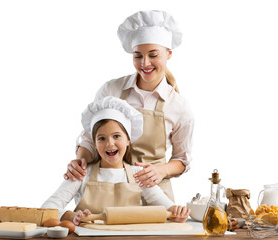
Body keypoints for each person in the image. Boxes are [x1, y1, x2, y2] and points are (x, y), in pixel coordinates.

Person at [64, 10, 194, 202]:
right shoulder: (112, 90)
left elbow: (182, 159)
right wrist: (80, 160)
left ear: (169, 54)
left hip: (155, 195)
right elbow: (89, 138)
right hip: (110, 192)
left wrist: (161, 170)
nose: (145, 63)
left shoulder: (179, 106)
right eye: (138, 56)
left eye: (153, 55)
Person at [42, 97, 190, 225]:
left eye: (116, 136)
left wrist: (178, 213)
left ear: (128, 140)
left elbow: (169, 209)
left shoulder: (139, 175)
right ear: (94, 144)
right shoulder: (82, 175)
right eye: (101, 138)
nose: (109, 144)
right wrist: (71, 216)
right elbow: (47, 208)